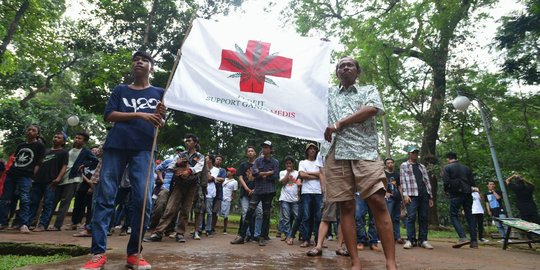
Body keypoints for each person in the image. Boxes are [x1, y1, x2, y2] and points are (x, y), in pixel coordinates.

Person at [80, 51, 166, 270]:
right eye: (136, 59)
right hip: (116, 146)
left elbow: (160, 122)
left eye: (144, 60)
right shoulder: (120, 89)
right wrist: (140, 114)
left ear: (151, 67)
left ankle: (134, 253)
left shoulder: (160, 92)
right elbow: (109, 115)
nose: (139, 62)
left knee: (143, 201)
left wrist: (159, 118)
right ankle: (98, 253)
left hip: (145, 149)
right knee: (104, 198)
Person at [321, 57, 396, 270]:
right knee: (346, 206)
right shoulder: (327, 95)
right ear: (336, 73)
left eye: (350, 65)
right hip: (335, 153)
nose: (345, 67)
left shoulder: (369, 90)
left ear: (357, 71)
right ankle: (355, 262)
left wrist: (339, 123)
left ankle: (391, 263)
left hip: (365, 152)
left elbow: (372, 109)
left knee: (378, 201)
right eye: (341, 66)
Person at [144, 134, 206, 243]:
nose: (187, 142)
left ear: (195, 143)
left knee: (185, 210)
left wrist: (188, 171)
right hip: (178, 184)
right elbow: (170, 167)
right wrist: (177, 165)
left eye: (190, 141)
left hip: (192, 186)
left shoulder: (200, 156)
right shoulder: (181, 155)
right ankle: (158, 233)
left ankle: (180, 233)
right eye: (186, 140)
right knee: (170, 208)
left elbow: (199, 167)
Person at [231, 140, 279, 246]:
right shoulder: (258, 161)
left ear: (271, 150)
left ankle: (262, 237)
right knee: (249, 212)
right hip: (258, 190)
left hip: (269, 191)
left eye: (266, 147)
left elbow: (275, 176)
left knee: (265, 214)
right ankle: (241, 236)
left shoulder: (275, 162)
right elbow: (255, 174)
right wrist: (268, 173)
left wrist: (264, 174)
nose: (264, 149)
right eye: (263, 147)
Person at [0, 124, 46, 232]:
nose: (30, 131)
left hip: (26, 175)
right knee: (5, 199)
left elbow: (38, 163)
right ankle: (3, 222)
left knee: (25, 199)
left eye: (33, 130)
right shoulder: (20, 145)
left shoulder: (39, 146)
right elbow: (16, 159)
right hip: (12, 174)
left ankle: (23, 223)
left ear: (37, 134)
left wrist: (32, 177)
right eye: (28, 129)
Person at [51, 132, 97, 231]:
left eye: (79, 138)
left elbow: (95, 161)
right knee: (53, 200)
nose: (76, 139)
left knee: (65, 202)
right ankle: (45, 223)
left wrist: (84, 165)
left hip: (74, 178)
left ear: (84, 142)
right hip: (63, 177)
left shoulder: (86, 152)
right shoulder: (68, 150)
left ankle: (57, 225)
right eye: (75, 137)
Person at [307, 152, 347, 257]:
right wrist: (324, 188)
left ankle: (339, 247)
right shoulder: (323, 151)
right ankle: (318, 246)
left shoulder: (345, 146)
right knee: (326, 217)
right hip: (330, 187)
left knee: (343, 217)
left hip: (345, 186)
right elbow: (321, 171)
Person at [29, 132, 69, 232]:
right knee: (33, 202)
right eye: (55, 137)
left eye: (59, 138)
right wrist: (33, 176)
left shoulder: (64, 152)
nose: (56, 139)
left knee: (48, 203)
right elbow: (38, 164)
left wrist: (59, 178)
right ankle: (29, 223)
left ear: (63, 141)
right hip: (38, 180)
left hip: (51, 181)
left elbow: (64, 166)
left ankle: (42, 225)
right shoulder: (45, 151)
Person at [400, 145, 434, 250]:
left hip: (424, 194)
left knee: (423, 217)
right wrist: (405, 194)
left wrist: (430, 196)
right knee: (411, 217)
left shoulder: (422, 166)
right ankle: (410, 240)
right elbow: (402, 181)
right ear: (409, 154)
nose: (415, 154)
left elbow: (427, 181)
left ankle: (423, 240)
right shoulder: (404, 165)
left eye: (416, 152)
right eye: (413, 152)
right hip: (411, 194)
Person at [442, 151, 477, 248]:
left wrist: (446, 190)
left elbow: (446, 181)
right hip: (468, 193)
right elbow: (472, 182)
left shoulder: (447, 167)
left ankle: (463, 237)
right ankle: (474, 242)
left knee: (453, 215)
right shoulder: (466, 168)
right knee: (470, 216)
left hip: (456, 194)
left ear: (448, 159)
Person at [298, 143, 323, 247]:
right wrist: (316, 175)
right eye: (310, 149)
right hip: (306, 192)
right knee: (306, 216)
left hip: (318, 192)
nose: (312, 150)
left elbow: (322, 174)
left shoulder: (320, 163)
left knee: (318, 217)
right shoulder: (303, 162)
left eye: (314, 149)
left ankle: (318, 241)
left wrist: (308, 174)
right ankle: (306, 239)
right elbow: (302, 175)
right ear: (307, 151)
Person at [236, 146, 263, 241]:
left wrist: (255, 189)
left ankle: (256, 234)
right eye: (248, 151)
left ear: (255, 153)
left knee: (259, 213)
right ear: (247, 154)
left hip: (257, 193)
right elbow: (240, 177)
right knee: (245, 213)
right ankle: (245, 234)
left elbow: (261, 178)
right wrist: (247, 188)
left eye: (252, 151)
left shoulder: (260, 165)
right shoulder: (243, 165)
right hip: (245, 192)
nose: (250, 152)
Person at [278, 156, 300, 244]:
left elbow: (299, 185)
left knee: (297, 217)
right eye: (287, 163)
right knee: (286, 218)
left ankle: (299, 234)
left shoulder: (297, 173)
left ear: (293, 164)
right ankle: (288, 236)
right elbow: (283, 182)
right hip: (285, 198)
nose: (288, 165)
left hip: (295, 199)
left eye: (290, 163)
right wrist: (288, 172)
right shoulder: (282, 172)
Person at [384, 158, 404, 244]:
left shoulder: (397, 174)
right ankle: (387, 237)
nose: (390, 164)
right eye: (388, 163)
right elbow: (380, 184)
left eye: (392, 162)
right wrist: (385, 192)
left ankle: (398, 237)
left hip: (397, 197)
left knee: (396, 218)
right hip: (389, 198)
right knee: (388, 217)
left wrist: (402, 197)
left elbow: (399, 186)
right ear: (386, 165)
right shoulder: (383, 174)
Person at [220, 167, 238, 234]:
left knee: (226, 215)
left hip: (227, 199)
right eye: (227, 171)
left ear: (233, 173)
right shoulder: (223, 179)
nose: (227, 172)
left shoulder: (235, 182)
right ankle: (212, 228)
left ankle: (225, 229)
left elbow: (234, 191)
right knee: (216, 213)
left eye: (229, 171)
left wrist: (232, 198)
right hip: (220, 197)